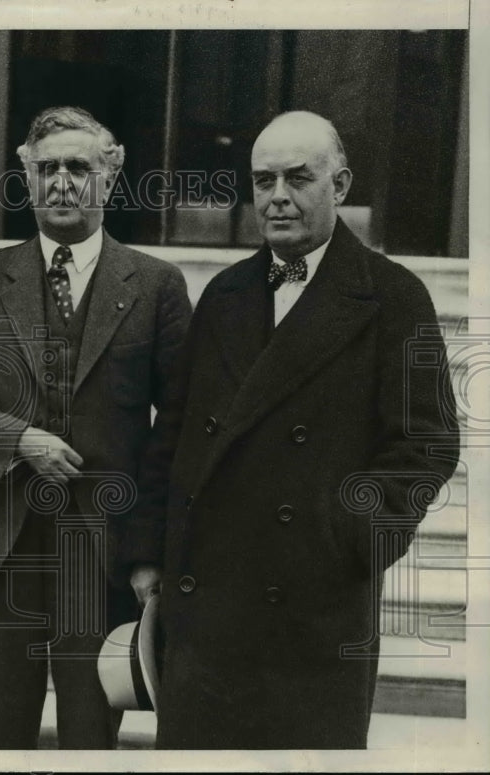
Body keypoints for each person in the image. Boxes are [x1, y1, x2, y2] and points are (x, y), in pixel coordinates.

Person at [143, 111, 461, 749]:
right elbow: (173, 431)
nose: (278, 197)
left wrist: (348, 536)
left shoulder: (394, 297)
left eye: (298, 178)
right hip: (207, 603)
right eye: (264, 181)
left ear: (340, 185)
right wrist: (149, 553)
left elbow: (425, 444)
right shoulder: (225, 293)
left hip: (316, 610)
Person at [0, 106, 191, 749]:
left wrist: (150, 552)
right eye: (47, 169)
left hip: (102, 550)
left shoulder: (156, 285)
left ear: (111, 176)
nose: (62, 182)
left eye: (79, 167)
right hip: (4, 541)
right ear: (27, 179)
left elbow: (180, 425)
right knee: (1, 729)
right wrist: (18, 439)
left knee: (90, 733)